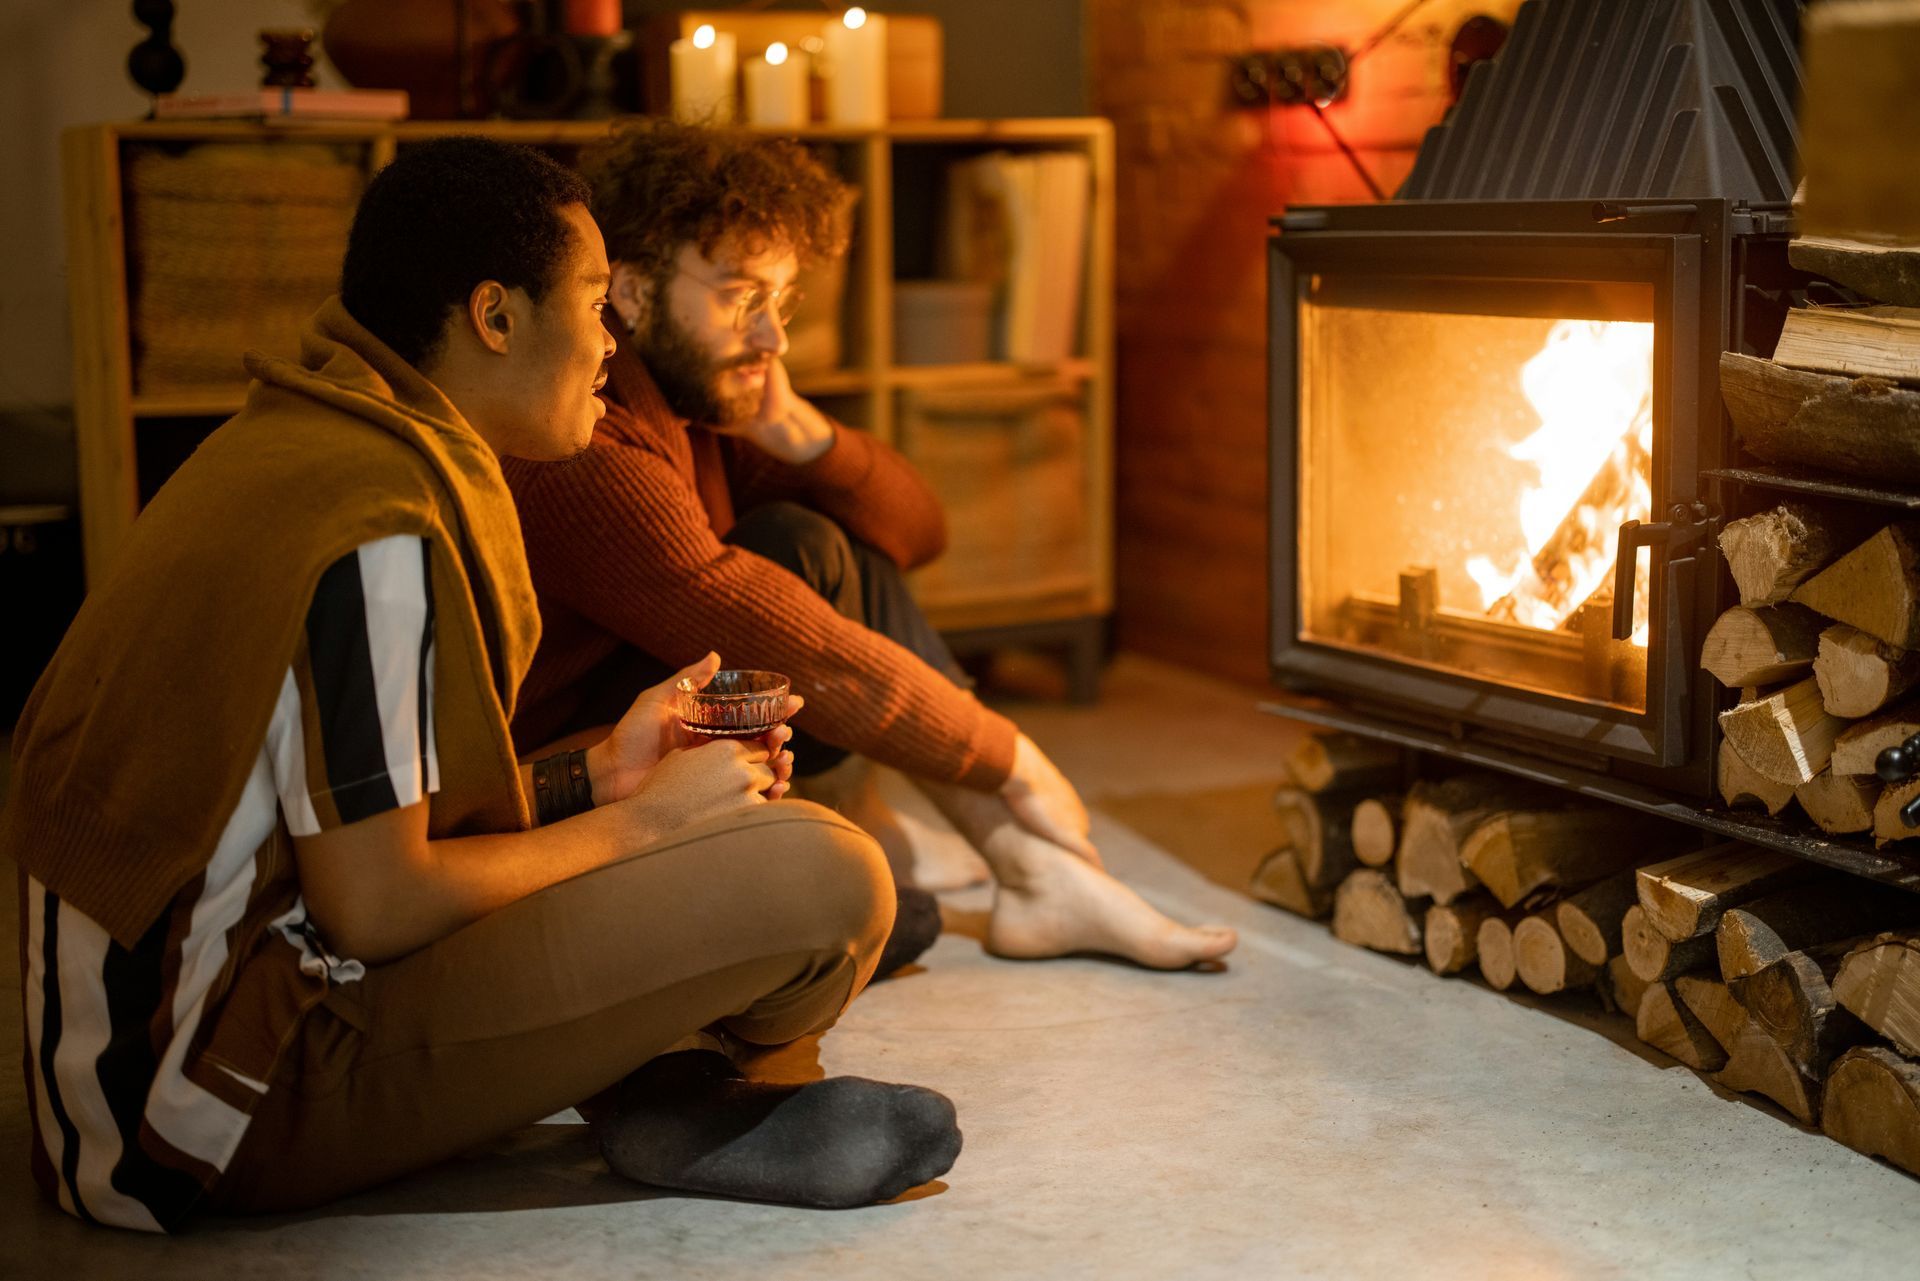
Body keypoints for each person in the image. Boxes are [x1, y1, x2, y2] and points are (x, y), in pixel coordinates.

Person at [2, 137, 959, 1232]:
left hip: (123, 1082)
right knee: (830, 876)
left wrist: (600, 772)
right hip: (208, 1109)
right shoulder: (381, 530)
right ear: (495, 318)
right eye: (597, 301)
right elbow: (377, 905)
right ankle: (721, 1092)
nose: (611, 339)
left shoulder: (307, 439)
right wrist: (644, 826)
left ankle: (682, 1086)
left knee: (719, 838)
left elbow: (337, 841)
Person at [504, 120, 1237, 971]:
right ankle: (997, 857)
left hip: (634, 724)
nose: (772, 337)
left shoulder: (691, 401)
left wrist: (808, 435)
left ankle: (1001, 862)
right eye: (744, 295)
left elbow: (916, 533)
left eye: (784, 300)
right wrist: (1008, 757)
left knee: (814, 533)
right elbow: (747, 614)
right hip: (565, 782)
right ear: (630, 292)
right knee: (882, 904)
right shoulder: (588, 440)